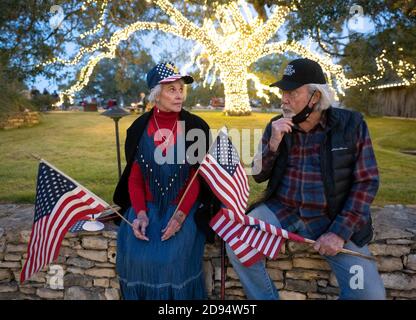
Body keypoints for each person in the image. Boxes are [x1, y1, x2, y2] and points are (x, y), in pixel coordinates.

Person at [226, 58, 386, 300]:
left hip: (331, 216)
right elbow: (258, 174)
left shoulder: (351, 125)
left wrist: (340, 232)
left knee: (369, 294)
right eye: (283, 92)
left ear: (315, 97)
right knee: (237, 241)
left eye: (292, 92)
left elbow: (367, 181)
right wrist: (273, 143)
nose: (284, 99)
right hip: (283, 209)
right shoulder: (277, 125)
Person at [113, 62, 219, 300]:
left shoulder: (196, 127)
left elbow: (197, 179)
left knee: (170, 259)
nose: (179, 94)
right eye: (171, 89)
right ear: (155, 95)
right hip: (147, 206)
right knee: (137, 257)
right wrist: (140, 214)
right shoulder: (139, 129)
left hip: (185, 206)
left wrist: (180, 217)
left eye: (181, 88)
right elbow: (135, 179)